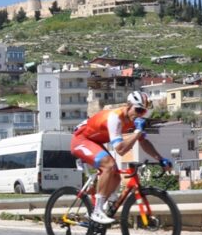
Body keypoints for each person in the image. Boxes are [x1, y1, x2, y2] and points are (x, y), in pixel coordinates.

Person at [70, 91, 172, 225]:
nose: (140, 114)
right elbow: (120, 150)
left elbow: (144, 142)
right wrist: (137, 133)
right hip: (81, 140)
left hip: (95, 141)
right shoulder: (115, 118)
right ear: (128, 106)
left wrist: (160, 159)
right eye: (139, 110)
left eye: (144, 112)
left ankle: (93, 213)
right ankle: (97, 211)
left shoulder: (132, 119)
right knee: (109, 165)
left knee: (116, 176)